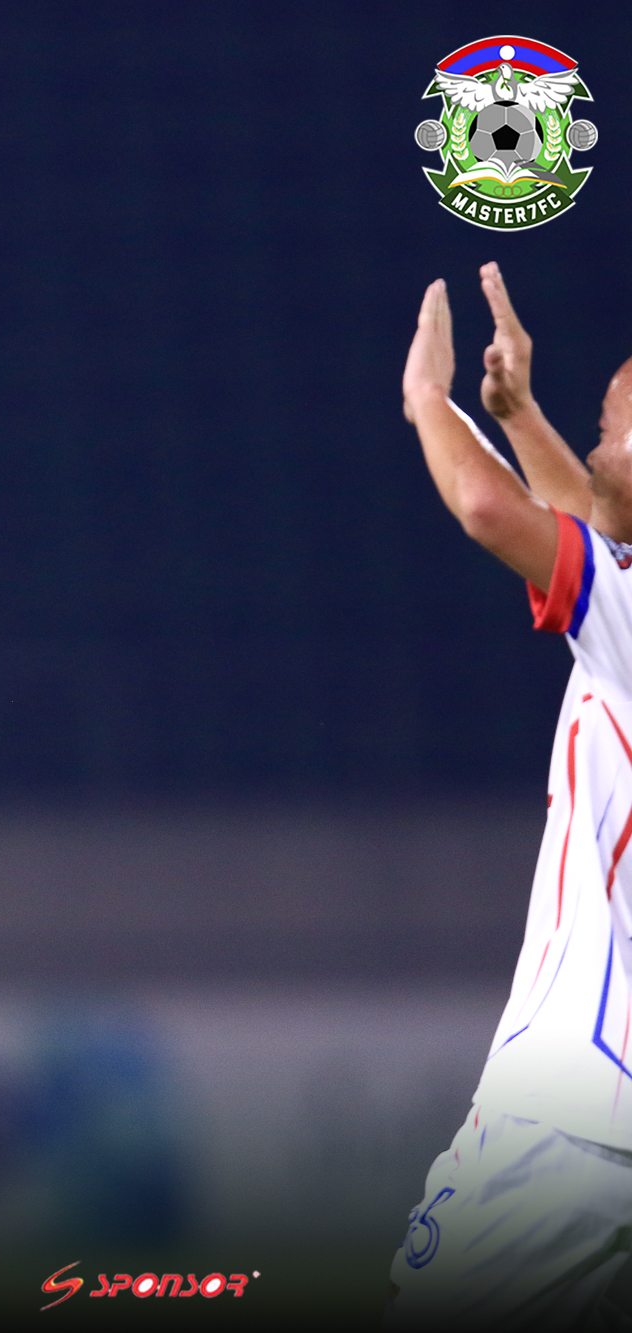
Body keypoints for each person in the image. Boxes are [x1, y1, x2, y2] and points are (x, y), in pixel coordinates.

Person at [392, 264, 632, 1328]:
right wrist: (520, 414)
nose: (599, 435)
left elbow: (492, 508)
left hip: (569, 1119)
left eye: (613, 422)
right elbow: (586, 521)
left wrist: (426, 402)